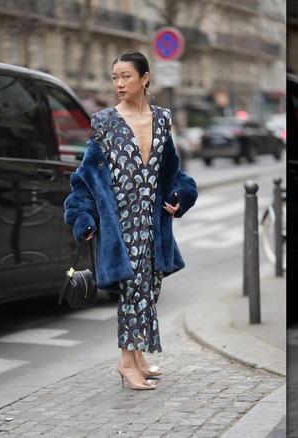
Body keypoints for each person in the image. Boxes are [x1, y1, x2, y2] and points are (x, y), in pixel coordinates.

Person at [64, 50, 198, 390]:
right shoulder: (104, 123)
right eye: (115, 77)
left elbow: (173, 171)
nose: (119, 84)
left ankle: (138, 356)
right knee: (133, 289)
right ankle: (126, 362)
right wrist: (82, 216)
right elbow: (85, 178)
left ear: (145, 78)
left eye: (126, 76)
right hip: (120, 223)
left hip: (154, 222)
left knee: (150, 287)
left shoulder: (163, 119)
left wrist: (180, 196)